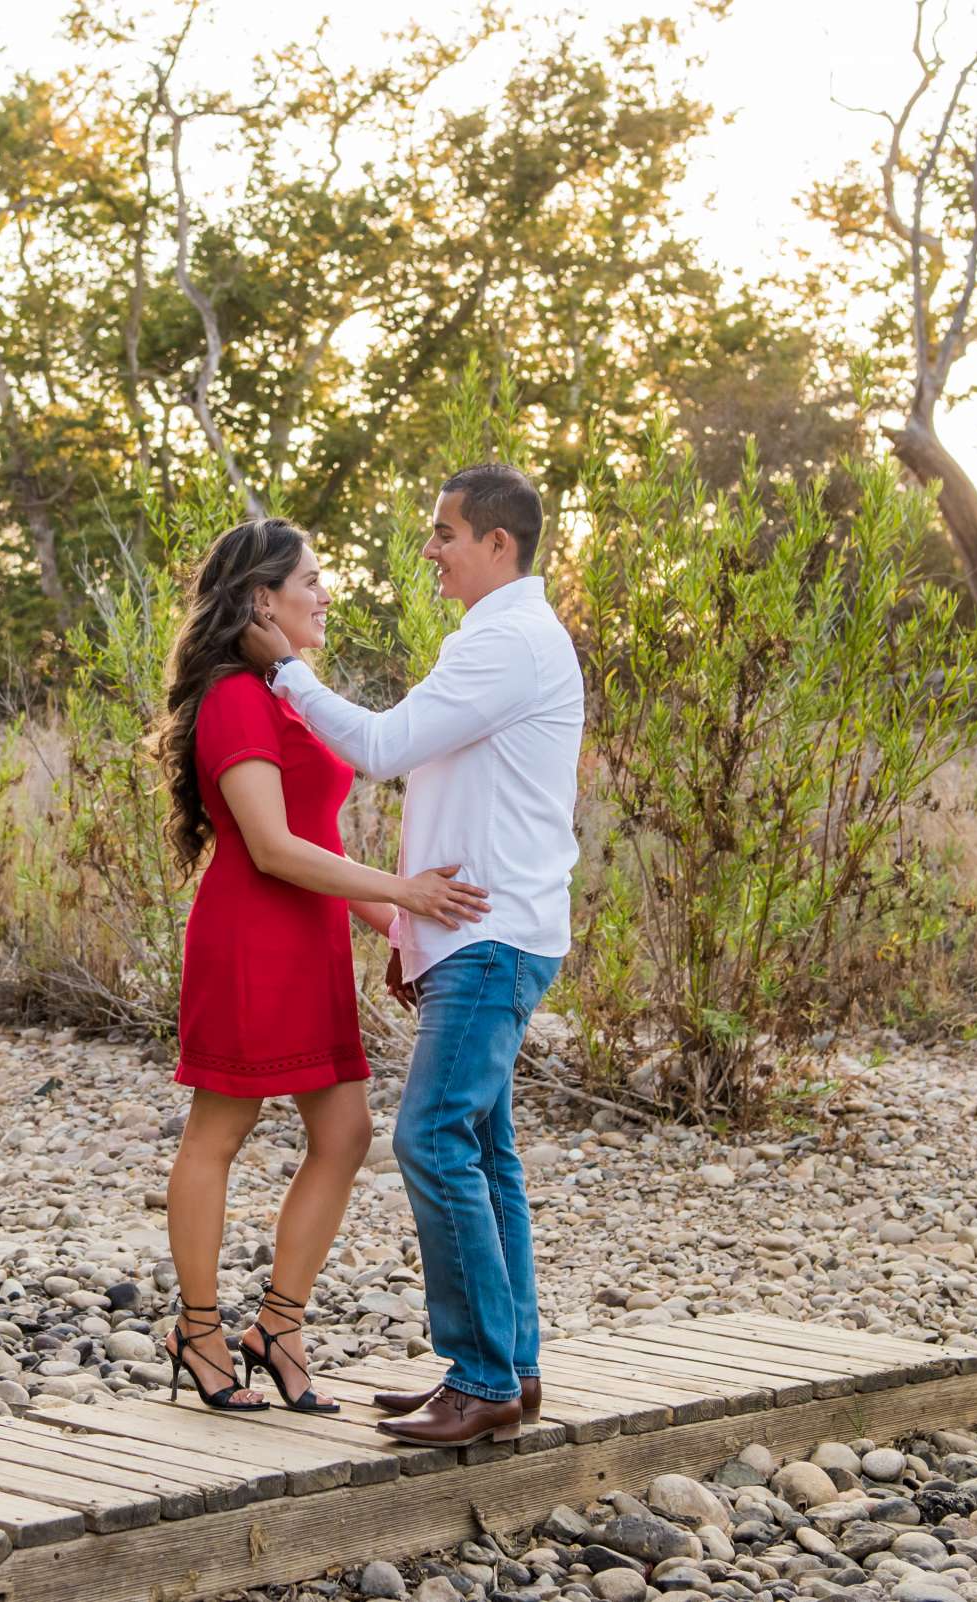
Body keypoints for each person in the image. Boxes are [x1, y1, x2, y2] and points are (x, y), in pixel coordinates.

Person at [241, 464, 584, 1447]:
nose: (429, 550)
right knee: (482, 1149)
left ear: (497, 546)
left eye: (443, 534)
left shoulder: (510, 641)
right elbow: (450, 790)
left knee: (429, 1140)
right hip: (479, 932)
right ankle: (507, 1373)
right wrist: (412, 929)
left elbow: (384, 749)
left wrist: (284, 672)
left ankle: (479, 1379)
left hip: (492, 936)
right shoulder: (496, 638)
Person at [159, 517, 491, 1413]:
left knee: (344, 1137)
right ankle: (197, 1330)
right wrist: (408, 888)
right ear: (261, 598)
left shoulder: (290, 694)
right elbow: (270, 847)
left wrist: (397, 923)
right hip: (249, 940)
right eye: (311, 578)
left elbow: (319, 834)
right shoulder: (233, 697)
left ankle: (278, 1325)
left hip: (309, 941)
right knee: (218, 1135)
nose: (326, 592)